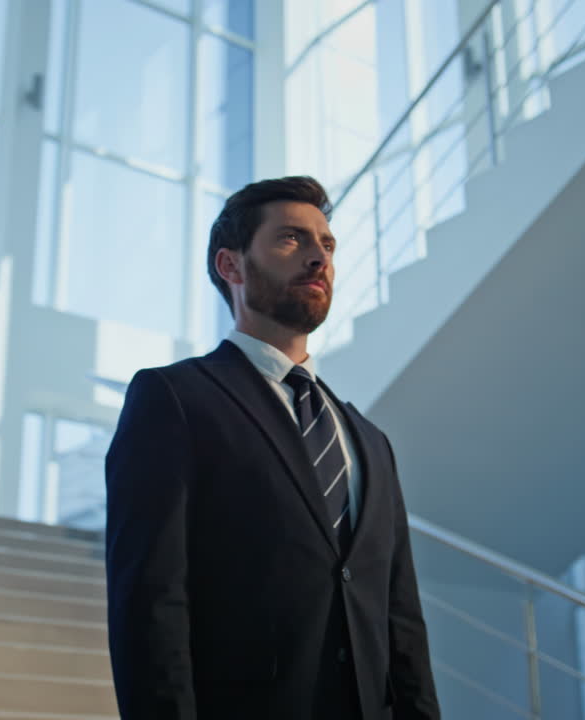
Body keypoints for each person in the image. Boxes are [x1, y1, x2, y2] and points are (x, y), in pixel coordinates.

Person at [105, 176, 441, 720]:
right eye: (291, 239)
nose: (319, 258)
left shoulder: (370, 442)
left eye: (327, 244)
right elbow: (149, 603)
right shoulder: (175, 398)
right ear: (231, 266)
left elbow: (401, 620)